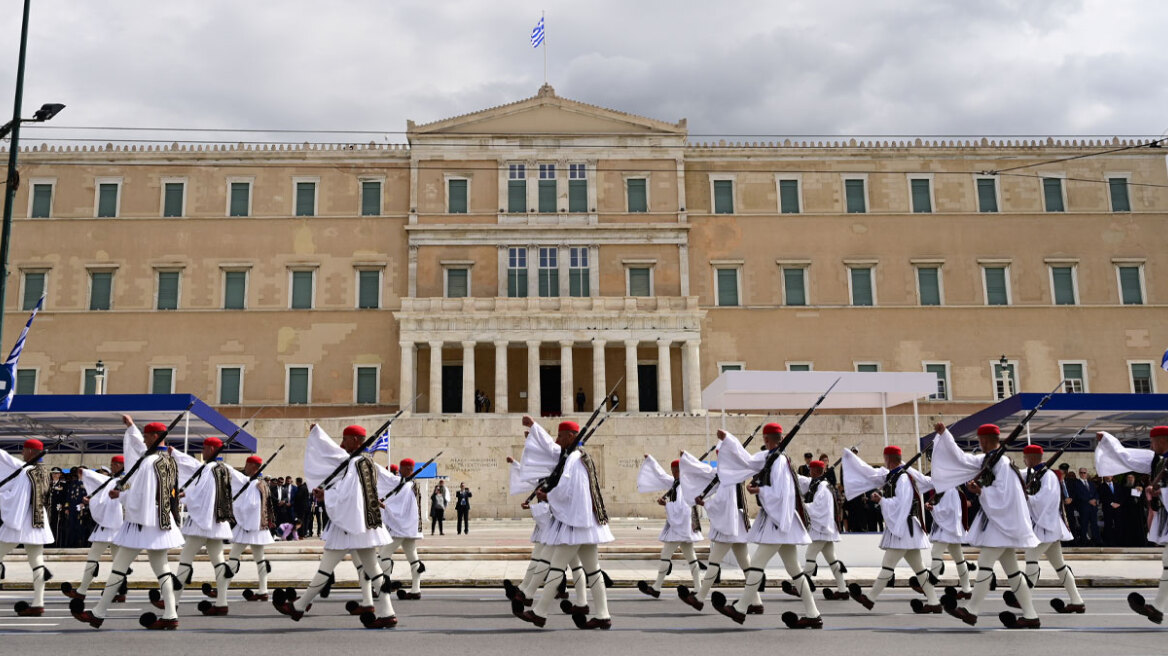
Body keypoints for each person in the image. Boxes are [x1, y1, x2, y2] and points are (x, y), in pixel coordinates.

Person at [274, 424, 398, 629]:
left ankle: (299, 606)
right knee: (374, 571)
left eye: (346, 439)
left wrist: (326, 495)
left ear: (356, 440)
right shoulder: (367, 462)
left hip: (349, 525)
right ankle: (388, 613)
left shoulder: (356, 462)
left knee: (326, 567)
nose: (343, 443)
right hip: (364, 525)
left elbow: (348, 495)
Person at [71, 417, 186, 630]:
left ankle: (98, 613)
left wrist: (120, 496)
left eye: (145, 436)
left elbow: (139, 494)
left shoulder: (149, 462)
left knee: (119, 568)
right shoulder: (169, 460)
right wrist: (131, 428)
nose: (143, 439)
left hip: (142, 522)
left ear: (153, 437)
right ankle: (171, 614)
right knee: (162, 569)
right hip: (161, 521)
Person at [707, 424, 823, 629]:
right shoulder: (771, 457)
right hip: (780, 522)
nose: (763, 442)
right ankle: (813, 614)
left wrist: (758, 490)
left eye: (764, 439)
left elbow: (781, 494)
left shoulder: (778, 461)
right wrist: (729, 439)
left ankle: (741, 608)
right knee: (794, 570)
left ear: (768, 439)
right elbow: (746, 460)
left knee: (757, 564)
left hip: (778, 523)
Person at [932, 422, 1041, 629]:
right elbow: (961, 459)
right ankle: (1031, 615)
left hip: (1001, 524)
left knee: (985, 563)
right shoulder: (990, 460)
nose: (979, 445)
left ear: (985, 440)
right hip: (997, 522)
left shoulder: (1003, 464)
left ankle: (971, 611)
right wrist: (945, 435)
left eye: (980, 441)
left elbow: (1005, 495)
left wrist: (981, 492)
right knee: (1013, 572)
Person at [512, 416, 613, 630]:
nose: (557, 440)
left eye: (560, 436)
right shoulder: (576, 456)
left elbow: (568, 490)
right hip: (585, 524)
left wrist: (549, 497)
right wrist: (534, 430)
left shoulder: (574, 460)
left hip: (575, 524)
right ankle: (603, 615)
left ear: (571, 437)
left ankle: (540, 612)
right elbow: (550, 449)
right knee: (593, 570)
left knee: (556, 566)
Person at [842, 445, 942, 615]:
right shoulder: (895, 476)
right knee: (919, 569)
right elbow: (871, 473)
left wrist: (881, 501)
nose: (884, 461)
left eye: (885, 458)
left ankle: (871, 599)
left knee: (888, 564)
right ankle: (934, 602)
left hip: (903, 529)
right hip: (905, 529)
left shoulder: (902, 478)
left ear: (889, 459)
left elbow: (902, 503)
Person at [1093, 426, 1168, 623]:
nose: (1151, 446)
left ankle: (1158, 608)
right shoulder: (1157, 460)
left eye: (1153, 442)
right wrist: (1108, 438)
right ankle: (1158, 608)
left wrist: (1161, 493)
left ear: (1162, 441)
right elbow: (1127, 457)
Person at [676, 435, 752, 614]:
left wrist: (705, 504)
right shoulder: (732, 471)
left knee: (714, 562)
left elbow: (723, 501)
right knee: (746, 565)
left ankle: (700, 598)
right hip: (737, 523)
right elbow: (705, 471)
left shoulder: (728, 476)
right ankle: (755, 602)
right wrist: (686, 458)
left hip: (729, 524)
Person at [1018, 444, 1084, 614]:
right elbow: (1017, 475)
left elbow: (1045, 500)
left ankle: (1023, 599)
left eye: (1026, 457)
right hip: (1045, 527)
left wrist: (1027, 497)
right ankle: (1077, 600)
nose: (1024, 460)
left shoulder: (1048, 476)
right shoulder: (1033, 474)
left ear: (1032, 458)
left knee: (1031, 557)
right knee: (1059, 565)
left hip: (1047, 526)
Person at [0, 438, 55, 617]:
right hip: (38, 522)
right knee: (37, 563)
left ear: (31, 452)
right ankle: (38, 603)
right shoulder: (44, 471)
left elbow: (17, 498)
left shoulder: (27, 472)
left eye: (24, 450)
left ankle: (39, 603)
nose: (22, 453)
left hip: (21, 521)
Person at [635, 455, 703, 599]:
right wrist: (651, 460)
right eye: (673, 470)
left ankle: (657, 588)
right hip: (681, 527)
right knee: (691, 558)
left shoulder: (684, 486)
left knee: (666, 556)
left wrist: (666, 505)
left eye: (676, 470)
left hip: (680, 526)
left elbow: (683, 508)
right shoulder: (676, 483)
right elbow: (661, 475)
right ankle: (698, 588)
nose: (673, 473)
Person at [62, 455, 128, 603]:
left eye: (113, 464)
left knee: (93, 557)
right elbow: (103, 484)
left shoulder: (121, 480)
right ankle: (121, 592)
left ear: (119, 465)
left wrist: (86, 473)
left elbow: (103, 483)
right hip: (117, 526)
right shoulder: (118, 480)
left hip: (110, 525)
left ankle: (82, 591)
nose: (111, 467)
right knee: (119, 562)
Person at [794, 459, 850, 601]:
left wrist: (802, 505)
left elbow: (818, 508)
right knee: (832, 560)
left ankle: (802, 586)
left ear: (815, 471)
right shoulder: (816, 484)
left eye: (811, 470)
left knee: (810, 554)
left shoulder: (823, 488)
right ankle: (843, 589)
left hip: (822, 528)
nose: (809, 472)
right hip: (824, 528)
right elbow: (802, 481)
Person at [225, 455, 276, 602]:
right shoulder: (259, 483)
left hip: (249, 528)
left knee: (234, 557)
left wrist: (238, 513)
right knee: (260, 559)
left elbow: (250, 506)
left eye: (247, 465)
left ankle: (223, 587)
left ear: (253, 467)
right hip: (256, 528)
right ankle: (263, 590)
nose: (244, 467)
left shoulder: (255, 485)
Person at [378, 457, 426, 601]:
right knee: (413, 559)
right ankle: (416, 589)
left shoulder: (406, 485)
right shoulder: (412, 484)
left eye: (401, 468)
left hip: (400, 527)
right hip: (410, 528)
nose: (399, 471)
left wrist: (384, 506)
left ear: (408, 469)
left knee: (383, 555)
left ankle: (384, 586)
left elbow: (398, 508)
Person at [922, 471, 972, 600]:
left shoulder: (950, 489)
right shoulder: (947, 488)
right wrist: (932, 507)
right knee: (959, 558)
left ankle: (929, 586)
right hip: (948, 528)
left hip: (947, 528)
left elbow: (950, 510)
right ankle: (966, 589)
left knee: (936, 553)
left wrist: (933, 509)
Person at [1069, 467, 1101, 546]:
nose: (1083, 474)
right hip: (1084, 507)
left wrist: (1095, 500)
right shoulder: (1076, 484)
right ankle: (1084, 541)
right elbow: (1078, 495)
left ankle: (1096, 540)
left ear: (1087, 474)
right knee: (1084, 524)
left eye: (1084, 473)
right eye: (1081, 473)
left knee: (1094, 524)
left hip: (1093, 507)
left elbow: (1096, 493)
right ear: (1079, 473)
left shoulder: (1091, 483)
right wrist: (1089, 500)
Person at [1099, 475, 1122, 546]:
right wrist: (1111, 503)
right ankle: (1108, 542)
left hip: (1117, 508)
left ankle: (1119, 541)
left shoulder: (1117, 485)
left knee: (1118, 524)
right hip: (1108, 509)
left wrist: (1119, 504)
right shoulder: (1101, 486)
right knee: (1108, 525)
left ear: (1112, 477)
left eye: (1110, 475)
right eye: (1106, 475)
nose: (1108, 477)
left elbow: (1121, 495)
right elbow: (1102, 497)